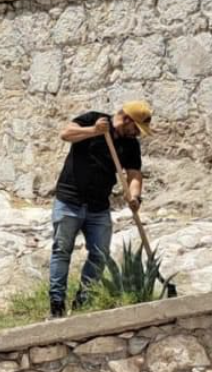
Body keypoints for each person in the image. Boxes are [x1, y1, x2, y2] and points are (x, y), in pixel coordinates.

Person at [49, 101, 150, 317]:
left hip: (98, 207)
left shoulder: (131, 144)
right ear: (127, 119)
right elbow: (66, 134)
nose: (137, 134)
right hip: (69, 201)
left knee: (100, 254)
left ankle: (83, 302)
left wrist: (134, 196)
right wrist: (93, 131)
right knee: (61, 250)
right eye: (136, 129)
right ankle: (57, 304)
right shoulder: (94, 119)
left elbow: (134, 174)